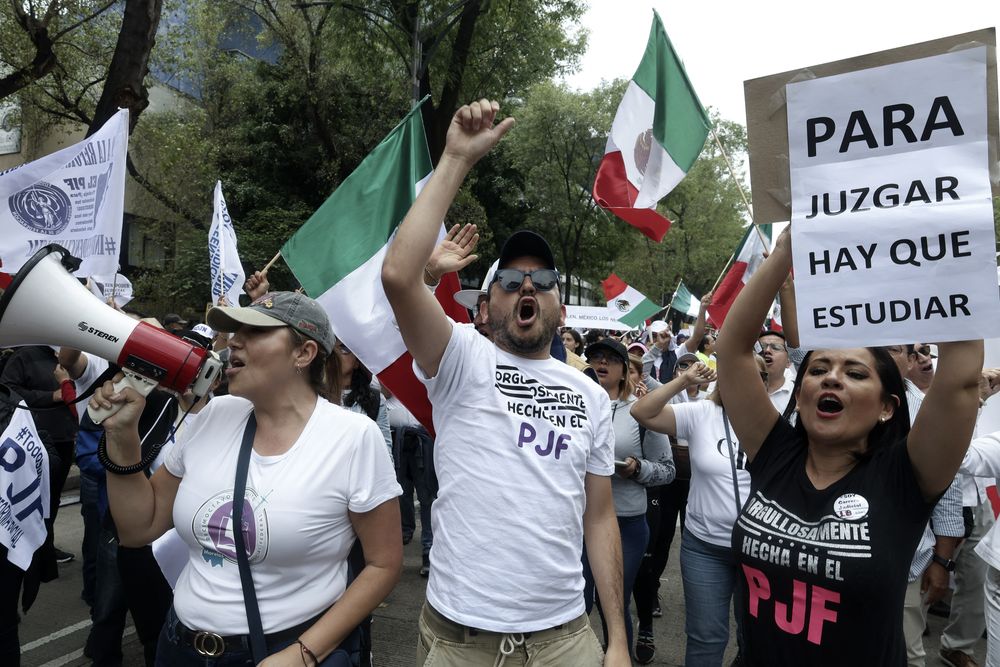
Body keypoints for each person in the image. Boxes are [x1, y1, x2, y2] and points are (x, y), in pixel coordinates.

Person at [382, 98, 629, 666]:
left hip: (564, 639)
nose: (527, 286)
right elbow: (398, 277)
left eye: (542, 280)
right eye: (510, 280)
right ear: (485, 309)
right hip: (459, 640)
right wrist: (455, 159)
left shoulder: (591, 396)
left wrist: (615, 636)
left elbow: (599, 515)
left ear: (561, 312)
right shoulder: (460, 357)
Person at [714, 226, 984, 666]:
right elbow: (733, 349)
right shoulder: (774, 450)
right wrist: (785, 252)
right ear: (800, 396)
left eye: (856, 373)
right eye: (819, 368)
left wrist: (947, 232)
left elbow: (960, 379)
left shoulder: (906, 477)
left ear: (886, 408)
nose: (832, 377)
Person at [93, 291, 403, 665]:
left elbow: (383, 564)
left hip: (280, 652)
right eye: (236, 331)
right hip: (178, 646)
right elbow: (138, 529)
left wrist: (303, 654)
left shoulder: (353, 437)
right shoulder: (213, 415)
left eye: (255, 332)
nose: (235, 341)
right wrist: (122, 436)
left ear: (303, 354)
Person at [632, 357, 766, 666]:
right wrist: (684, 380)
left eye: (755, 375)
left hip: (760, 550)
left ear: (765, 381)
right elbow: (642, 412)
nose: (745, 381)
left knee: (757, 638)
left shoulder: (776, 421)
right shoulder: (703, 412)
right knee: (706, 637)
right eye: (735, 373)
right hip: (704, 547)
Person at [581, 338, 674, 659]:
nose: (600, 363)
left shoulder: (641, 411)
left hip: (626, 524)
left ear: (624, 371)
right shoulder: (574, 404)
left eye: (609, 358)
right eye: (594, 357)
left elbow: (667, 470)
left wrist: (637, 470)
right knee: (576, 600)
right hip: (574, 521)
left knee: (613, 603)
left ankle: (616, 655)